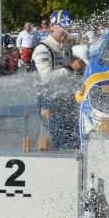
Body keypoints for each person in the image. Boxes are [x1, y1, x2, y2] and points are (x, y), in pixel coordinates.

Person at [32, 10, 84, 149]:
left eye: (67, 29)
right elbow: (47, 78)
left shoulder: (66, 48)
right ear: (52, 27)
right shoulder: (43, 49)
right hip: (49, 101)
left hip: (65, 98)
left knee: (74, 138)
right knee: (63, 141)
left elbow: (69, 75)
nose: (65, 32)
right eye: (62, 29)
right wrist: (72, 68)